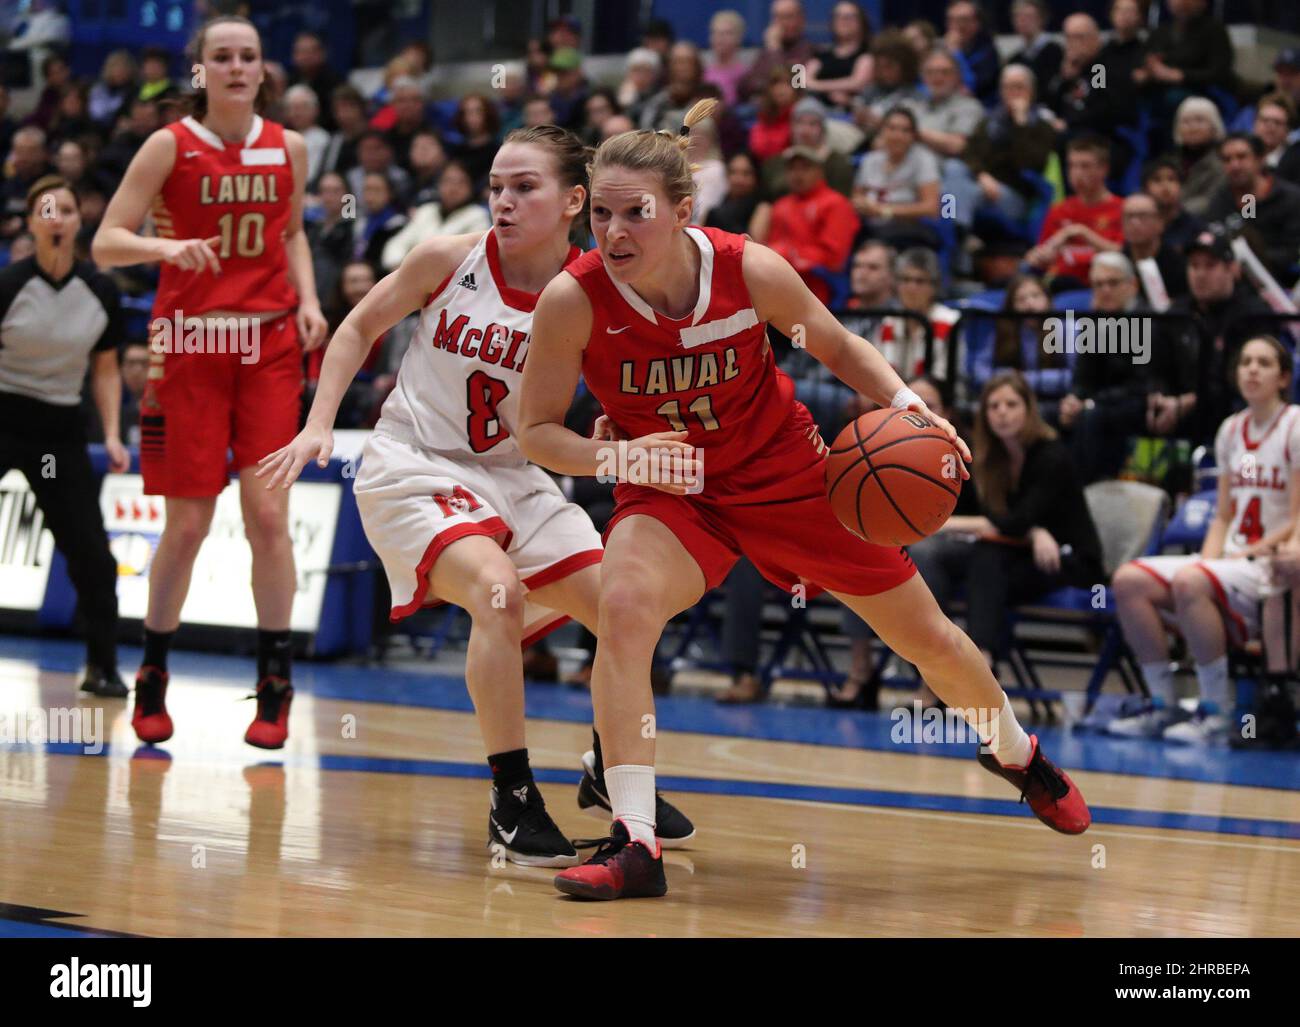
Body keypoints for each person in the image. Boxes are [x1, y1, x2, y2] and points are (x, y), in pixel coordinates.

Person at [517, 101, 1092, 901]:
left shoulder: (748, 268)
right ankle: (635, 841)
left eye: (635, 213)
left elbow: (836, 343)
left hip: (787, 473)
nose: (612, 232)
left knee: (929, 637)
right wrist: (616, 452)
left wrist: (908, 401)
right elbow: (536, 431)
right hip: (674, 486)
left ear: (684, 211)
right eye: (601, 212)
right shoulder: (572, 300)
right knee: (624, 608)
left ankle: (1016, 751)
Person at [257, 123, 695, 867]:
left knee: (625, 606)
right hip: (413, 464)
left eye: (525, 188)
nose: (503, 201)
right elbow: (359, 325)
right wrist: (318, 422)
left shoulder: (597, 288)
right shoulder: (449, 257)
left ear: (573, 201)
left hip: (515, 474)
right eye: (496, 186)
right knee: (496, 591)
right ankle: (512, 796)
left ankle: (607, 770)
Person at [91, 15, 329, 750]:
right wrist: (167, 244)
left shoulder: (288, 146)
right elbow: (106, 243)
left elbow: (290, 232)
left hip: (267, 348)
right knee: (188, 524)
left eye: (247, 56)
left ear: (263, 69)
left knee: (267, 516)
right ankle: (153, 670)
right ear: (200, 72)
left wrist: (312, 300)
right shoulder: (169, 145)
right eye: (220, 57)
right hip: (189, 346)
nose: (234, 67)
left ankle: (275, 681)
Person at [1108, 336, 1300, 744]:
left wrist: (1220, 565)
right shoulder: (1231, 429)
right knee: (1128, 580)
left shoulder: (1295, 426)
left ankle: (1215, 712)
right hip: (1233, 563)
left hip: (1270, 566)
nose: (1251, 369)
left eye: (1263, 363)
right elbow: (1225, 515)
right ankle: (1163, 704)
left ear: (1283, 377)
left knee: (1191, 580)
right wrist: (1207, 562)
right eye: (1245, 361)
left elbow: (1298, 516)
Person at [0, 175, 128, 697]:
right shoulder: (8, 285)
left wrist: (115, 434)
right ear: (31, 223)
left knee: (92, 554)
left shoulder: (101, 291)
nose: (56, 219)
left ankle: (102, 666)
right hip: (3, 414)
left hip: (58, 429)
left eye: (67, 211)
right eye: (46, 211)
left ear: (80, 222)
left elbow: (105, 369)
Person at [909, 371, 1104, 683]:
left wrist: (942, 525)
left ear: (1029, 409)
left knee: (986, 560)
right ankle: (937, 664)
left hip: (1068, 559)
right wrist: (1034, 532)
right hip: (1019, 551)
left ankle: (979, 665)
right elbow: (1009, 523)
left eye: (1011, 404)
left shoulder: (1051, 455)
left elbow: (1015, 521)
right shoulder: (992, 459)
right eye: (993, 406)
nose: (1002, 412)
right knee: (942, 557)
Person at [1025, 135, 1123, 289]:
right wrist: (1036, 257)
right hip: (1059, 286)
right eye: (1072, 166)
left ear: (1104, 169)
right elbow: (1045, 252)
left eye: (1085, 166)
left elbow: (1124, 254)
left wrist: (1082, 232)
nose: (1076, 173)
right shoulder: (1058, 210)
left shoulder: (1122, 209)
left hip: (1100, 288)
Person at [1204, 132, 1300, 288]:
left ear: (1260, 159)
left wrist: (1248, 263)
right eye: (1227, 159)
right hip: (1229, 288)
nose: (1234, 165)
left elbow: (1294, 251)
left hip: (1284, 286)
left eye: (1241, 157)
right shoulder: (1219, 201)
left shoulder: (1291, 199)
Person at [851, 106, 940, 252]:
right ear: (882, 131)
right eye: (892, 128)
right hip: (870, 226)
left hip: (908, 231)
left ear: (913, 136)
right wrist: (862, 204)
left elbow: (931, 208)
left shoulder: (923, 160)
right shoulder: (870, 160)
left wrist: (883, 211)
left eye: (905, 130)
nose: (897, 135)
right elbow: (857, 196)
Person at [805, 2, 873, 111]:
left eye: (849, 17)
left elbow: (857, 83)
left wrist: (817, 86)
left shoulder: (867, 53)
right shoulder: (821, 54)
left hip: (850, 117)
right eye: (838, 17)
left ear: (861, 22)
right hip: (817, 114)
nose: (843, 21)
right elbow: (803, 80)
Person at [1168, 96, 1227, 220]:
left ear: (1214, 126)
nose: (1193, 127)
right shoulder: (1169, 162)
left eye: (1200, 121)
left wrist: (1175, 211)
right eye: (1186, 122)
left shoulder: (1223, 161)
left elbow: (1213, 199)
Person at [1006, 0, 1062, 90]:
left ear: (1041, 18)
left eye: (1028, 16)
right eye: (1018, 16)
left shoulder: (1055, 51)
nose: (1022, 21)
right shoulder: (1014, 59)